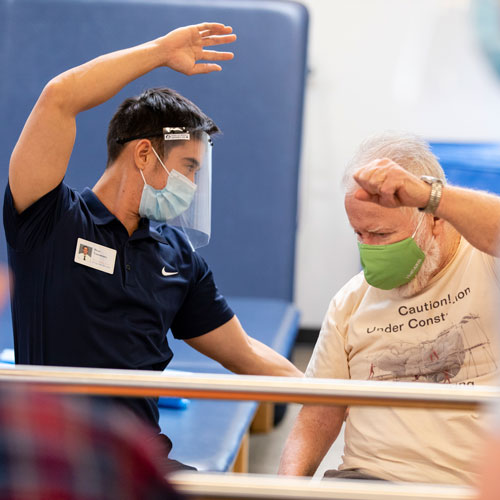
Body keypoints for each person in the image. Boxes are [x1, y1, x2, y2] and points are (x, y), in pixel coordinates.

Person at [3, 22, 302, 472]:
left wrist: (333, 394)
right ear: (144, 154)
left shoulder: (179, 260)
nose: (192, 184)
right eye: (187, 166)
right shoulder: (49, 219)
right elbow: (59, 97)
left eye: (198, 172)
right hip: (52, 460)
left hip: (138, 465)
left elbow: (246, 354)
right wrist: (160, 51)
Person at [278, 131, 499, 485]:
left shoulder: (487, 265)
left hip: (467, 486)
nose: (369, 249)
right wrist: (284, 488)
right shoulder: (349, 302)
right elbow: (318, 415)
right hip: (368, 481)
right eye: (359, 235)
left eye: (380, 235)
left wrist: (430, 196)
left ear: (435, 219)